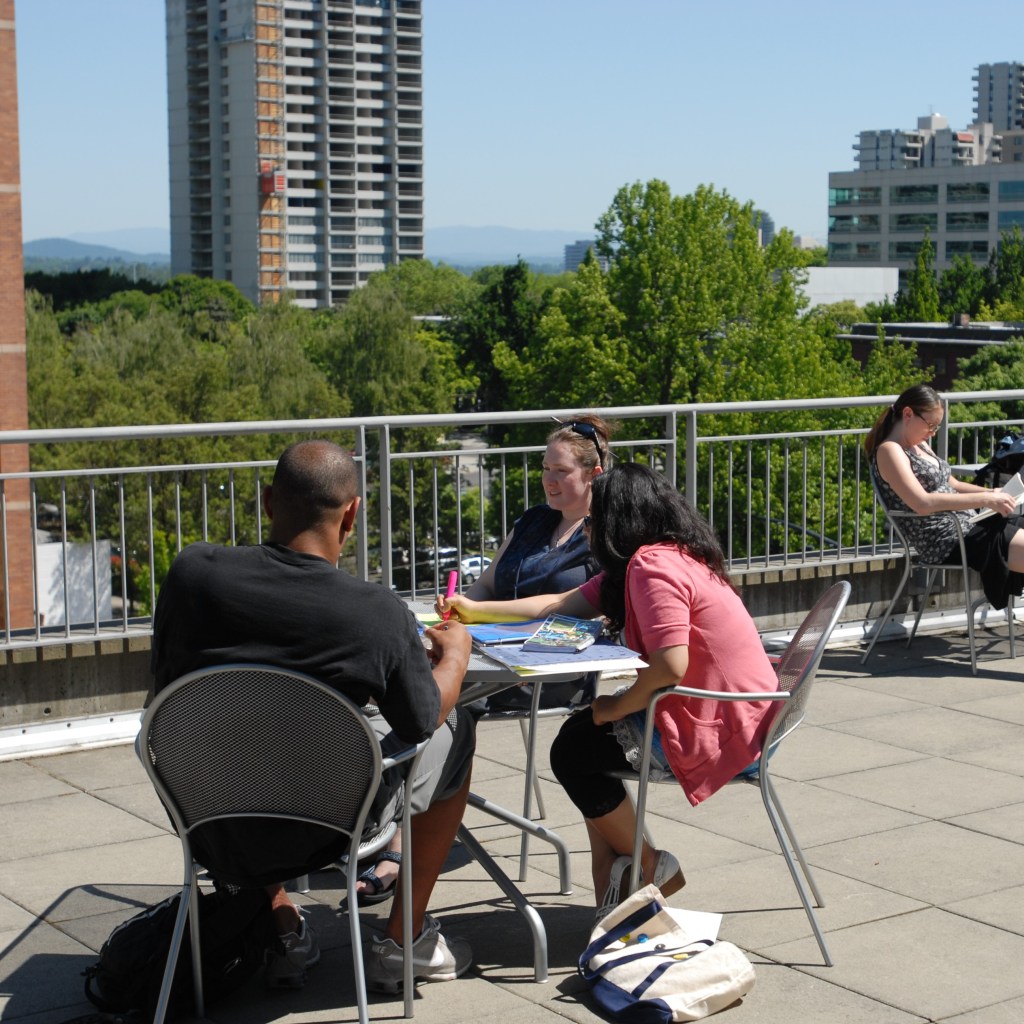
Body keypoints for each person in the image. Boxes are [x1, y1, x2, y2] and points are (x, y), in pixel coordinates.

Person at [151, 440, 476, 993]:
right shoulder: (374, 612)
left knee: (245, 733)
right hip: (326, 828)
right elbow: (422, 719)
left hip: (208, 816)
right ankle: (404, 941)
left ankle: (279, 924)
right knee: (458, 729)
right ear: (350, 514)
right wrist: (457, 656)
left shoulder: (191, 575)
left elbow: (164, 694)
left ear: (268, 501)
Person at [439, 463, 779, 923]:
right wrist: (475, 610)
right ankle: (619, 892)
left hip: (719, 727)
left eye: (596, 520)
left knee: (574, 751)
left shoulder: (651, 566)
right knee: (583, 738)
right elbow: (561, 604)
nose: (590, 529)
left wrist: (614, 706)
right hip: (737, 713)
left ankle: (651, 865)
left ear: (620, 519)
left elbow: (669, 664)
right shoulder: (667, 555)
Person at [356, 414, 612, 904]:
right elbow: (487, 584)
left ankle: (397, 839)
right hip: (489, 657)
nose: (549, 481)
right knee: (412, 685)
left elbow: (569, 607)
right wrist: (458, 608)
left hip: (548, 668)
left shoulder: (604, 536)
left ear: (593, 474)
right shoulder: (534, 522)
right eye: (544, 469)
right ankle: (394, 809)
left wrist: (479, 614)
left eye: (561, 472)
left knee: (443, 702)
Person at [865, 382, 1024, 609]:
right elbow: (922, 503)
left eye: (936, 427)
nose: (932, 433)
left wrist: (993, 492)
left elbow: (954, 484)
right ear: (908, 413)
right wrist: (987, 500)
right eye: (930, 425)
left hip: (968, 526)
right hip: (946, 539)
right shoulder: (890, 451)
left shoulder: (919, 444)